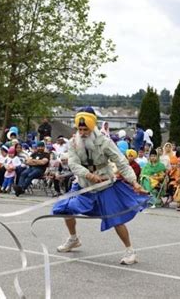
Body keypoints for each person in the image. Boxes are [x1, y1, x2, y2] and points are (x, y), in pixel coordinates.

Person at [52, 107, 148, 265]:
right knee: (64, 208)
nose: (82, 132)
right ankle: (73, 239)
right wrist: (90, 175)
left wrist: (134, 182)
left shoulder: (105, 142)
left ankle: (130, 251)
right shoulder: (73, 143)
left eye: (86, 129)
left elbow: (122, 163)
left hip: (105, 186)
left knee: (116, 218)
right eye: (80, 129)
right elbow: (73, 164)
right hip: (84, 185)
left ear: (93, 127)